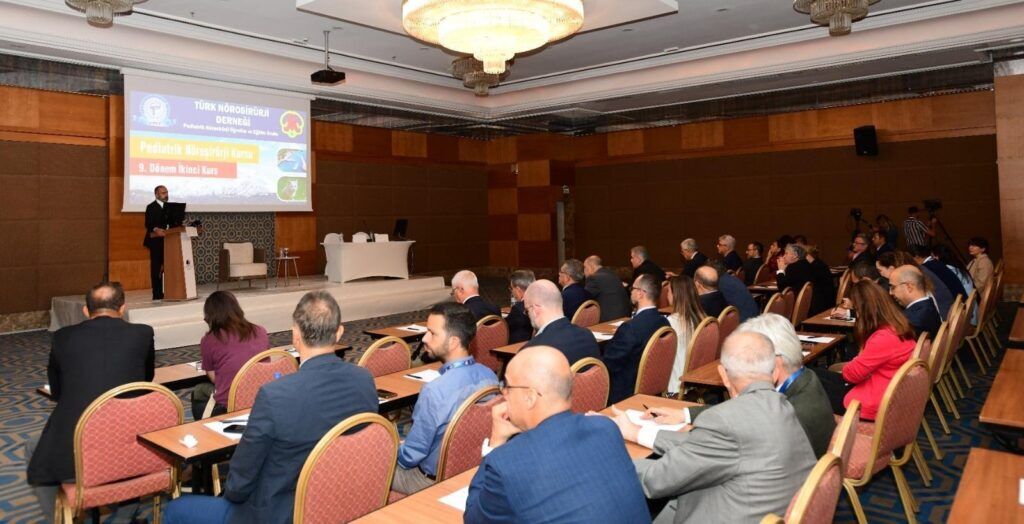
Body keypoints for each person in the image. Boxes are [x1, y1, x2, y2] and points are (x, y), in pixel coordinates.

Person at [163, 291, 378, 524]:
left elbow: (238, 484)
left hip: (279, 513)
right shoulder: (364, 379)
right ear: (339, 332)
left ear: (295, 335)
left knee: (176, 510)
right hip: (344, 501)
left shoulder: (275, 396)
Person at [607, 331, 816, 523]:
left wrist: (602, 452)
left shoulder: (723, 421)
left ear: (723, 374)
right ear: (775, 372)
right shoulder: (783, 406)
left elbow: (655, 480)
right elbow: (704, 445)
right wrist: (637, 433)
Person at [464, 346, 650, 523]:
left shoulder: (506, 463)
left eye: (507, 386)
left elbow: (473, 518)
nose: (503, 393)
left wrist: (496, 441)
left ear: (530, 397)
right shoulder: (606, 428)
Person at [26, 282, 155, 522]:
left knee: (35, 451)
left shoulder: (62, 337)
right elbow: (146, 381)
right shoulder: (143, 333)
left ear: (86, 311)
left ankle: (59, 518)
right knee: (128, 454)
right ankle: (124, 515)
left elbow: (57, 392)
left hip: (77, 445)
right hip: (130, 443)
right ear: (123, 308)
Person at [653, 314, 836, 458]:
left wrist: (694, 433)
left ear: (774, 364)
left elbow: (722, 448)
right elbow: (747, 411)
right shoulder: (805, 379)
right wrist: (685, 414)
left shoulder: (788, 418)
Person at [393, 302, 498, 495]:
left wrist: (391, 451)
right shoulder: (490, 376)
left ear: (453, 342)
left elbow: (411, 457)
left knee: (366, 466)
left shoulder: (435, 391)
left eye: (432, 333)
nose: (424, 338)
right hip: (469, 470)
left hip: (429, 481)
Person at [816, 280, 916, 419]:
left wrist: (858, 357)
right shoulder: (897, 327)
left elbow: (851, 375)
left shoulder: (883, 338)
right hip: (882, 390)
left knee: (807, 383)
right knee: (811, 374)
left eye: (856, 310)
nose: (856, 315)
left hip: (867, 404)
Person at [192, 291, 270, 419]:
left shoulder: (209, 340)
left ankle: (203, 427)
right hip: (262, 396)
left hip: (230, 402)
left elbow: (214, 377)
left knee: (198, 391)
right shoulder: (260, 331)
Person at [603, 274, 671, 404]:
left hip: (625, 392)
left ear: (640, 293)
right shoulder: (664, 322)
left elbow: (609, 364)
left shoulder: (630, 328)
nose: (630, 291)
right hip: (653, 386)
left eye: (633, 288)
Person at [521, 280, 600, 365]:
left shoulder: (532, 351)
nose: (527, 315)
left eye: (527, 311)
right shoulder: (587, 335)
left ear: (535, 309)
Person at [664, 276, 706, 396]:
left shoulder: (671, 323)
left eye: (668, 291)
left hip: (675, 385)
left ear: (676, 295)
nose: (667, 295)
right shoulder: (701, 318)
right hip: (694, 380)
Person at [776, 243, 831, 315]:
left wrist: (780, 270)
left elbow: (782, 287)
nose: (783, 256)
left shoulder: (793, 267)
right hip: (815, 306)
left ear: (795, 255)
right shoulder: (805, 264)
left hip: (802, 309)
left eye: (786, 253)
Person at [889, 266, 942, 338]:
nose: (890, 293)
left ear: (909, 287)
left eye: (893, 287)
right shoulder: (928, 306)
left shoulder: (913, 321)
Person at [583, 255, 631, 322]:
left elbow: (584, 299)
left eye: (585, 267)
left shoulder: (593, 278)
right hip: (625, 315)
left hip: (609, 320)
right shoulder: (612, 274)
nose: (584, 271)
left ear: (591, 267)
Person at [143, 185, 170, 300]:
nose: (166, 195)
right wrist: (156, 229)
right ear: (156, 195)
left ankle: (168, 291)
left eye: (166, 192)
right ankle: (157, 293)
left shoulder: (170, 207)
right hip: (155, 241)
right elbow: (148, 224)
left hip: (168, 240)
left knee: (168, 266)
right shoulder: (151, 207)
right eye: (163, 193)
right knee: (156, 267)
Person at [506, 269, 535, 344]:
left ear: (518, 290)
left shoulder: (518, 309)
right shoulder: (541, 303)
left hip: (520, 346)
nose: (512, 292)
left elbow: (506, 326)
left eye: (512, 288)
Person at [805, 245, 837, 311]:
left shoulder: (814, 267)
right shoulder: (820, 263)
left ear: (807, 256)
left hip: (822, 304)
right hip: (829, 300)